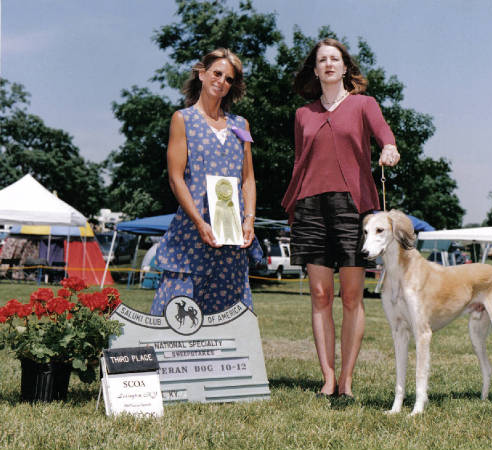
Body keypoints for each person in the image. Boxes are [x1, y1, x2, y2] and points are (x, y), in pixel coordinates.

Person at [281, 38, 399, 400]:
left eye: (335, 59)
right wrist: (293, 206)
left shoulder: (364, 105)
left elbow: (385, 137)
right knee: (319, 294)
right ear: (315, 71)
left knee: (350, 297)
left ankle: (346, 381)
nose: (329, 64)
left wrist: (389, 149)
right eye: (322, 60)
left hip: (354, 207)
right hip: (311, 207)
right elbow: (302, 161)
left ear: (345, 67)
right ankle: (327, 378)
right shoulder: (304, 114)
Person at [150, 48, 258, 317]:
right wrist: (200, 222)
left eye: (229, 79)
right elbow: (176, 179)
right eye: (217, 73)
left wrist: (249, 220)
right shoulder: (182, 119)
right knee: (176, 314)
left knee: (228, 319)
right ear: (202, 74)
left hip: (231, 234)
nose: (221, 81)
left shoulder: (241, 124)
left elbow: (248, 179)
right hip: (191, 231)